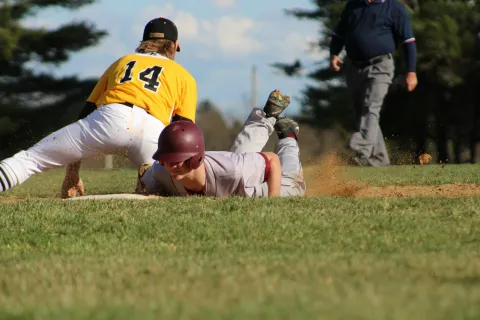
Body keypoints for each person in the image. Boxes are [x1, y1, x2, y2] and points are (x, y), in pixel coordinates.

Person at [0, 17, 197, 196]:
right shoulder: (184, 75)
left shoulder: (123, 62)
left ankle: (150, 175)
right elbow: (183, 132)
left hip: (110, 119)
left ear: (144, 42)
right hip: (152, 131)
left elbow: (87, 111)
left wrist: (72, 172)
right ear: (174, 45)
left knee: (31, 159)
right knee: (169, 184)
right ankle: (149, 176)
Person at [137, 90, 306, 197]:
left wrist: (273, 200)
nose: (171, 166)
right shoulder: (161, 171)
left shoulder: (232, 170)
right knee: (240, 156)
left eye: (177, 160)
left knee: (294, 186)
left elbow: (272, 160)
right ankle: (268, 115)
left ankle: (288, 136)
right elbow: (144, 174)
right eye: (167, 160)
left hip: (251, 186)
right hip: (233, 167)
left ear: (196, 158)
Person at [330, 0, 418, 166]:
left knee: (371, 108)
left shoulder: (394, 8)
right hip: (354, 67)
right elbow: (340, 33)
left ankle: (358, 148)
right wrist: (334, 54)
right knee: (362, 114)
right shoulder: (353, 6)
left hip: (381, 66)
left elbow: (408, 42)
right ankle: (378, 160)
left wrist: (411, 72)